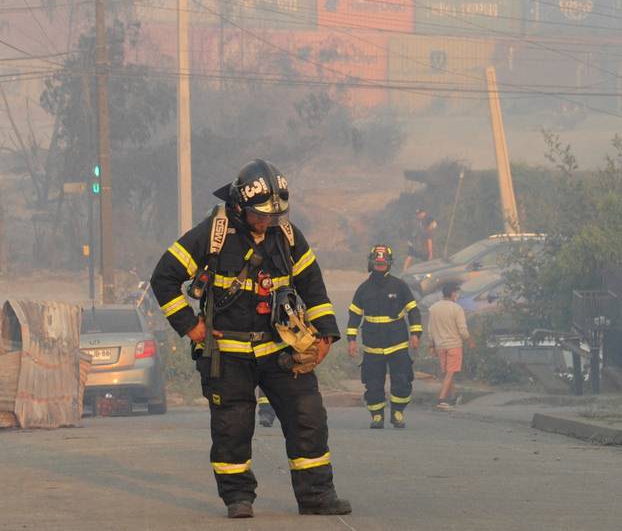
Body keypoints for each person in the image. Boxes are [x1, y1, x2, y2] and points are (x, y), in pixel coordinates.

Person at [151, 158, 351, 520]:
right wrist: (189, 325)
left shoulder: (288, 236)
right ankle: (238, 498)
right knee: (233, 428)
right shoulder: (211, 235)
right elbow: (163, 277)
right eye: (260, 215)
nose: (266, 222)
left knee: (308, 417)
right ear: (239, 206)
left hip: (281, 350)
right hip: (228, 354)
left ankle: (317, 496)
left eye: (273, 215)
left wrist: (326, 334)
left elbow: (313, 287)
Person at [346, 244, 422, 429]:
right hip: (372, 344)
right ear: (371, 264)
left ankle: (397, 413)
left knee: (402, 380)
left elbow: (413, 311)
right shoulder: (363, 289)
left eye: (383, 263)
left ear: (389, 264)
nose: (380, 266)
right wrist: (351, 340)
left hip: (397, 342)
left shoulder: (399, 286)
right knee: (373, 383)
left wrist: (415, 334)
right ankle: (377, 415)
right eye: (377, 263)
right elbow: (354, 315)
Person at [427, 282, 476, 410]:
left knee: (448, 372)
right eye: (456, 293)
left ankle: (453, 397)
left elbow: (430, 329)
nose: (457, 295)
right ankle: (442, 399)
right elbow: (462, 330)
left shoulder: (433, 308)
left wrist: (431, 345)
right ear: (453, 293)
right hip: (454, 344)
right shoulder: (457, 308)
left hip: (440, 345)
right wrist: (469, 340)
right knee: (450, 372)